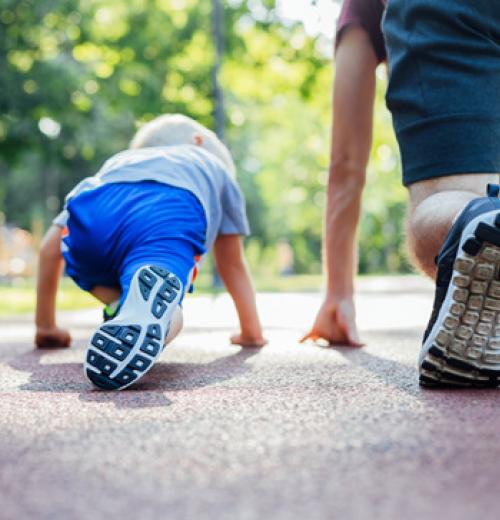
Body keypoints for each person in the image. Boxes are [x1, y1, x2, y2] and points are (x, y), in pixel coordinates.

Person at [34, 114, 266, 390]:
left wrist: (45, 327)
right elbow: (232, 264)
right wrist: (251, 333)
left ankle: (122, 308)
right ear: (198, 141)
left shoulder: (120, 162)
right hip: (165, 213)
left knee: (100, 269)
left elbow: (50, 248)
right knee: (163, 293)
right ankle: (152, 319)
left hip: (95, 210)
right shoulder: (212, 166)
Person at [302, 0, 387, 347]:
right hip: (368, 8)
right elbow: (345, 167)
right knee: (344, 161)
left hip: (433, 11)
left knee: (432, 150)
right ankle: (337, 300)